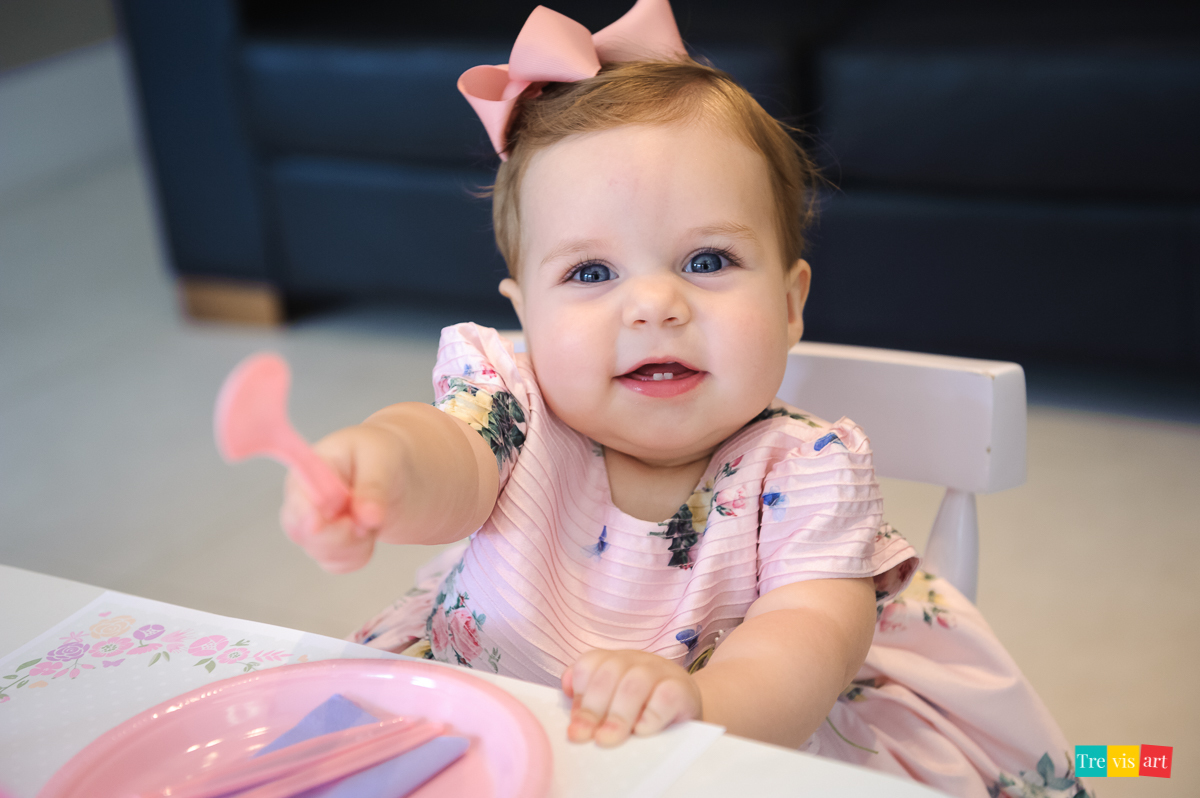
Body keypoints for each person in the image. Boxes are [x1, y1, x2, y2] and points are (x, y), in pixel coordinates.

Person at [279, 2, 1091, 795]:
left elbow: (807, 644)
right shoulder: (513, 409)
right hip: (489, 716)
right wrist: (381, 466)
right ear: (525, 315)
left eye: (707, 260)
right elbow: (445, 458)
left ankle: (1125, 762)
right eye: (591, 274)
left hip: (726, 746)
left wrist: (702, 704)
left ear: (788, 303)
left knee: (1107, 766)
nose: (654, 305)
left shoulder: (809, 471)